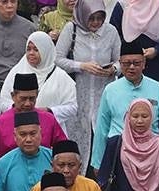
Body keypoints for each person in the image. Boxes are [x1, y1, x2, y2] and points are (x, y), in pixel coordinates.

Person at [90, 42, 159, 171]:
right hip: (119, 152)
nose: (131, 67)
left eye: (136, 63)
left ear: (144, 64)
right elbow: (102, 127)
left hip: (151, 151)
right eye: (126, 64)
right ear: (120, 63)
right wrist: (98, 163)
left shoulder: (158, 88)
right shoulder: (110, 90)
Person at [55, 0, 120, 172]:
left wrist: (113, 69)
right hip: (78, 92)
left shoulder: (110, 31)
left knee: (103, 136)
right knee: (79, 137)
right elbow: (58, 59)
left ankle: (103, 180)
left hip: (103, 92)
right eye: (91, 18)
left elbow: (121, 60)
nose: (96, 23)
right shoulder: (72, 29)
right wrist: (81, 66)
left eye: (100, 18)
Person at [0, 73, 68, 173]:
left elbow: (63, 149)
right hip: (10, 177)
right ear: (13, 96)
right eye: (23, 99)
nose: (27, 103)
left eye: (32, 99)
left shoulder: (48, 119)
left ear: (37, 95)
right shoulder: (0, 122)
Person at [0, 33, 78, 135]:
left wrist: (49, 111)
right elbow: (3, 101)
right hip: (20, 133)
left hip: (51, 132)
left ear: (46, 51)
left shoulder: (61, 77)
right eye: (28, 49)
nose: (31, 53)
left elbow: (72, 107)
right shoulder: (17, 72)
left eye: (36, 50)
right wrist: (19, 108)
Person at [109, 0, 159, 110]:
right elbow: (113, 35)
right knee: (129, 112)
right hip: (130, 68)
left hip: (158, 66)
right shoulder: (123, 5)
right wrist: (128, 54)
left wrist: (157, 49)